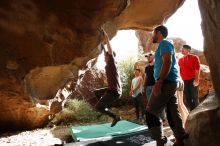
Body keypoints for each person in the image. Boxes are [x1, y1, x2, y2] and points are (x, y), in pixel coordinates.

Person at [145, 25, 187, 146]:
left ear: (158, 33)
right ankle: (180, 139)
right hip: (170, 82)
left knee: (151, 111)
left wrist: (159, 81)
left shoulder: (164, 43)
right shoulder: (165, 44)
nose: (152, 35)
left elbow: (167, 61)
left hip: (166, 82)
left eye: (153, 33)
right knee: (172, 111)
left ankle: (160, 140)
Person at [95, 29, 122, 127]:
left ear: (110, 57)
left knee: (97, 107)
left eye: (106, 56)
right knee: (97, 92)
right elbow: (105, 51)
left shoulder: (111, 62)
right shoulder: (108, 62)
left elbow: (109, 49)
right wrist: (102, 43)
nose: (104, 57)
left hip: (114, 92)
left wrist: (106, 37)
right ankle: (103, 107)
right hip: (111, 90)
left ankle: (115, 116)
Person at [143, 52, 166, 122]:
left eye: (150, 56)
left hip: (155, 86)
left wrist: (159, 84)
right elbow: (146, 77)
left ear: (153, 57)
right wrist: (144, 86)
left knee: (158, 101)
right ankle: (154, 119)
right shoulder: (146, 68)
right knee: (150, 103)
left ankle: (163, 118)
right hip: (148, 87)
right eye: (147, 57)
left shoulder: (157, 66)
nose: (148, 58)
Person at [178, 44, 200, 111]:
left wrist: (196, 80)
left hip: (192, 80)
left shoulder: (194, 57)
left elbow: (197, 69)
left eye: (183, 49)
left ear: (188, 50)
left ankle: (197, 112)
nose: (182, 50)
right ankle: (192, 112)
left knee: (195, 97)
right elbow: (180, 70)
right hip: (184, 81)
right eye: (182, 48)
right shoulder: (180, 60)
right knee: (188, 97)